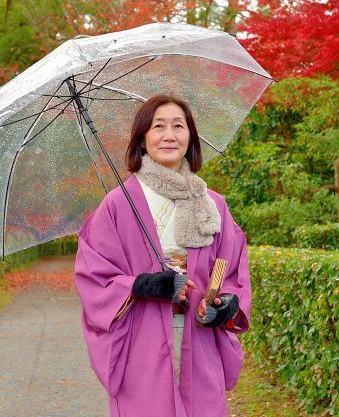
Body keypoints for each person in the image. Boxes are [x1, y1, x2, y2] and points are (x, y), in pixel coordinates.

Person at [74, 95, 251, 417]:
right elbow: (93, 276)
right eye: (158, 127)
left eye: (178, 126)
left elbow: (234, 270)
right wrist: (142, 285)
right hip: (142, 342)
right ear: (142, 139)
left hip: (201, 342)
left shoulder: (213, 203)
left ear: (190, 138)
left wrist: (225, 304)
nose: (169, 135)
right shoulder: (118, 203)